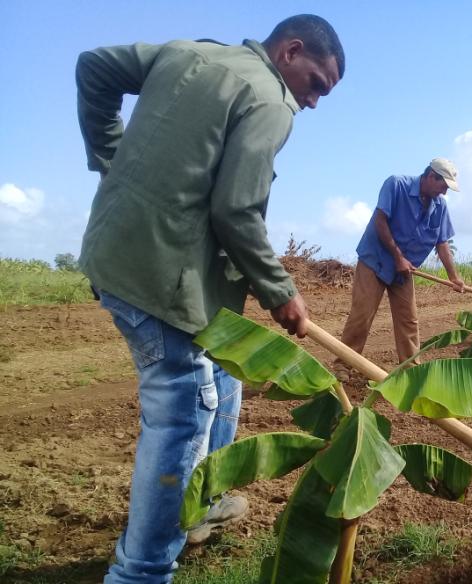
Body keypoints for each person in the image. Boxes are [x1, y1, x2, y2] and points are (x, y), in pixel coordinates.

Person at [75, 14, 344, 583]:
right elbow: (236, 211)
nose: (315, 101)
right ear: (291, 52)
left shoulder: (187, 52)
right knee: (183, 411)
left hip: (112, 252)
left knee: (226, 375)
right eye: (317, 83)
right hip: (163, 281)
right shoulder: (271, 102)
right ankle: (142, 572)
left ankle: (207, 502)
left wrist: (110, 156)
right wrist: (280, 292)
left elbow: (94, 65)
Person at [336, 159, 465, 376]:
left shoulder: (440, 207)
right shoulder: (396, 185)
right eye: (443, 186)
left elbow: (442, 243)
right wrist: (397, 257)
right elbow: (380, 221)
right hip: (375, 261)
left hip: (404, 270)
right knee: (362, 315)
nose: (444, 193)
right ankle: (343, 364)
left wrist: (454, 277)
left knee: (408, 320)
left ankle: (410, 370)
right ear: (431, 176)